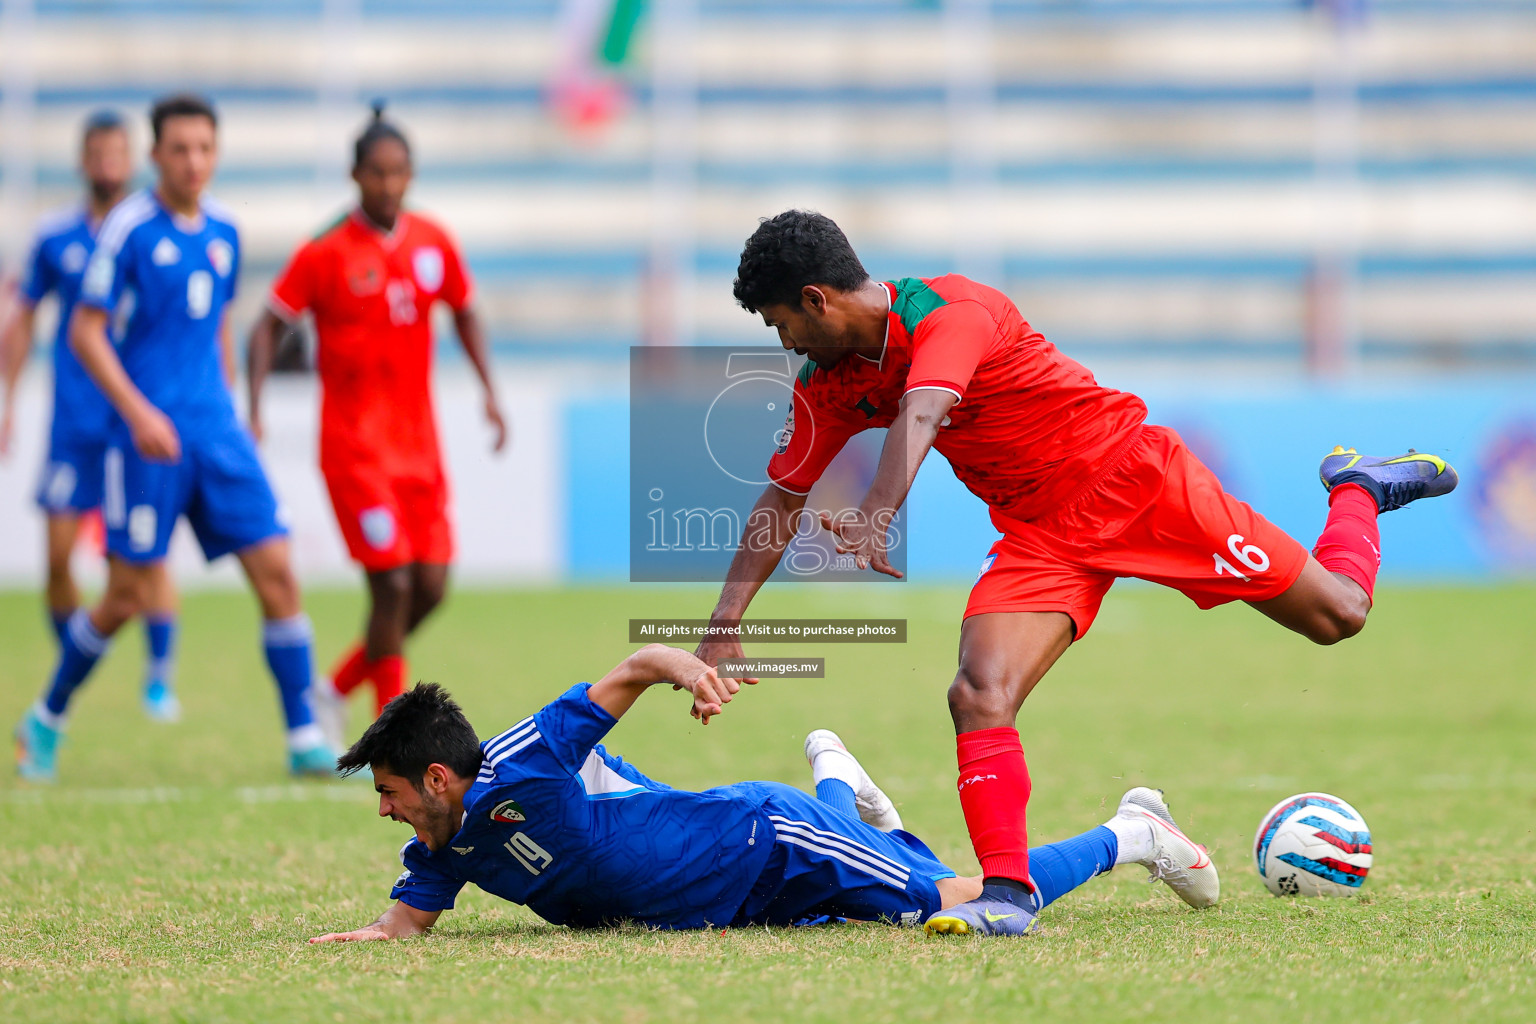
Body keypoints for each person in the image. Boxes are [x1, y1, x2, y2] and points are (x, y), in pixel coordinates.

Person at [693, 210, 1458, 935]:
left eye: (780, 323)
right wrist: (724, 626)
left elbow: (920, 414)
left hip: (1139, 485)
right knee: (978, 691)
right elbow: (784, 494)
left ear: (815, 300)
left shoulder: (954, 310)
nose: (784, 342)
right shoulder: (827, 384)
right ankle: (1006, 894)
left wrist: (874, 513)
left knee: (1340, 616)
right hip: (1042, 536)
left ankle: (1358, 489)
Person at [308, 644, 1216, 942]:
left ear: (437, 778)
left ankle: (1129, 833)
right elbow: (402, 928)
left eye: (388, 792)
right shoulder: (438, 844)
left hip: (766, 840)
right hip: (739, 906)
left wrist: (694, 672)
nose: (383, 810)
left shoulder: (524, 760)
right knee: (905, 893)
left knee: (964, 908)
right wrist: (345, 943)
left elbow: (634, 666)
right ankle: (852, 790)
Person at [12, 94, 337, 782]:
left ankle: (304, 734)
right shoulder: (127, 228)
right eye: (180, 149)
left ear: (216, 154)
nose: (194, 162)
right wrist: (137, 413)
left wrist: (230, 402)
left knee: (278, 572)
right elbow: (84, 331)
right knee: (125, 595)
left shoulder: (225, 230)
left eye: (204, 149)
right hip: (148, 440)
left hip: (215, 434)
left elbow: (217, 319)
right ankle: (47, 716)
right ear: (155, 155)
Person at [247, 102, 506, 749]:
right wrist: (252, 404)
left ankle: (333, 690)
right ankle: (396, 740)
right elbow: (267, 325)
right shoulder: (325, 251)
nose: (388, 184)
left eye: (398, 172)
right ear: (355, 175)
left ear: (410, 173)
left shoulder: (432, 242)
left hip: (419, 447)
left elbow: (466, 312)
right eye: (376, 173)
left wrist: (488, 390)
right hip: (354, 449)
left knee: (431, 588)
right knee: (390, 583)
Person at [0, 110, 182, 723]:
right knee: (56, 558)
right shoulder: (55, 238)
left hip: (134, 425)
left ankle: (159, 679)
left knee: (143, 557)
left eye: (116, 153)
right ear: (83, 162)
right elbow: (22, 317)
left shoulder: (148, 234)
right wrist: (8, 402)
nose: (107, 162)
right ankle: (72, 658)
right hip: (73, 427)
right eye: (96, 153)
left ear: (131, 160)